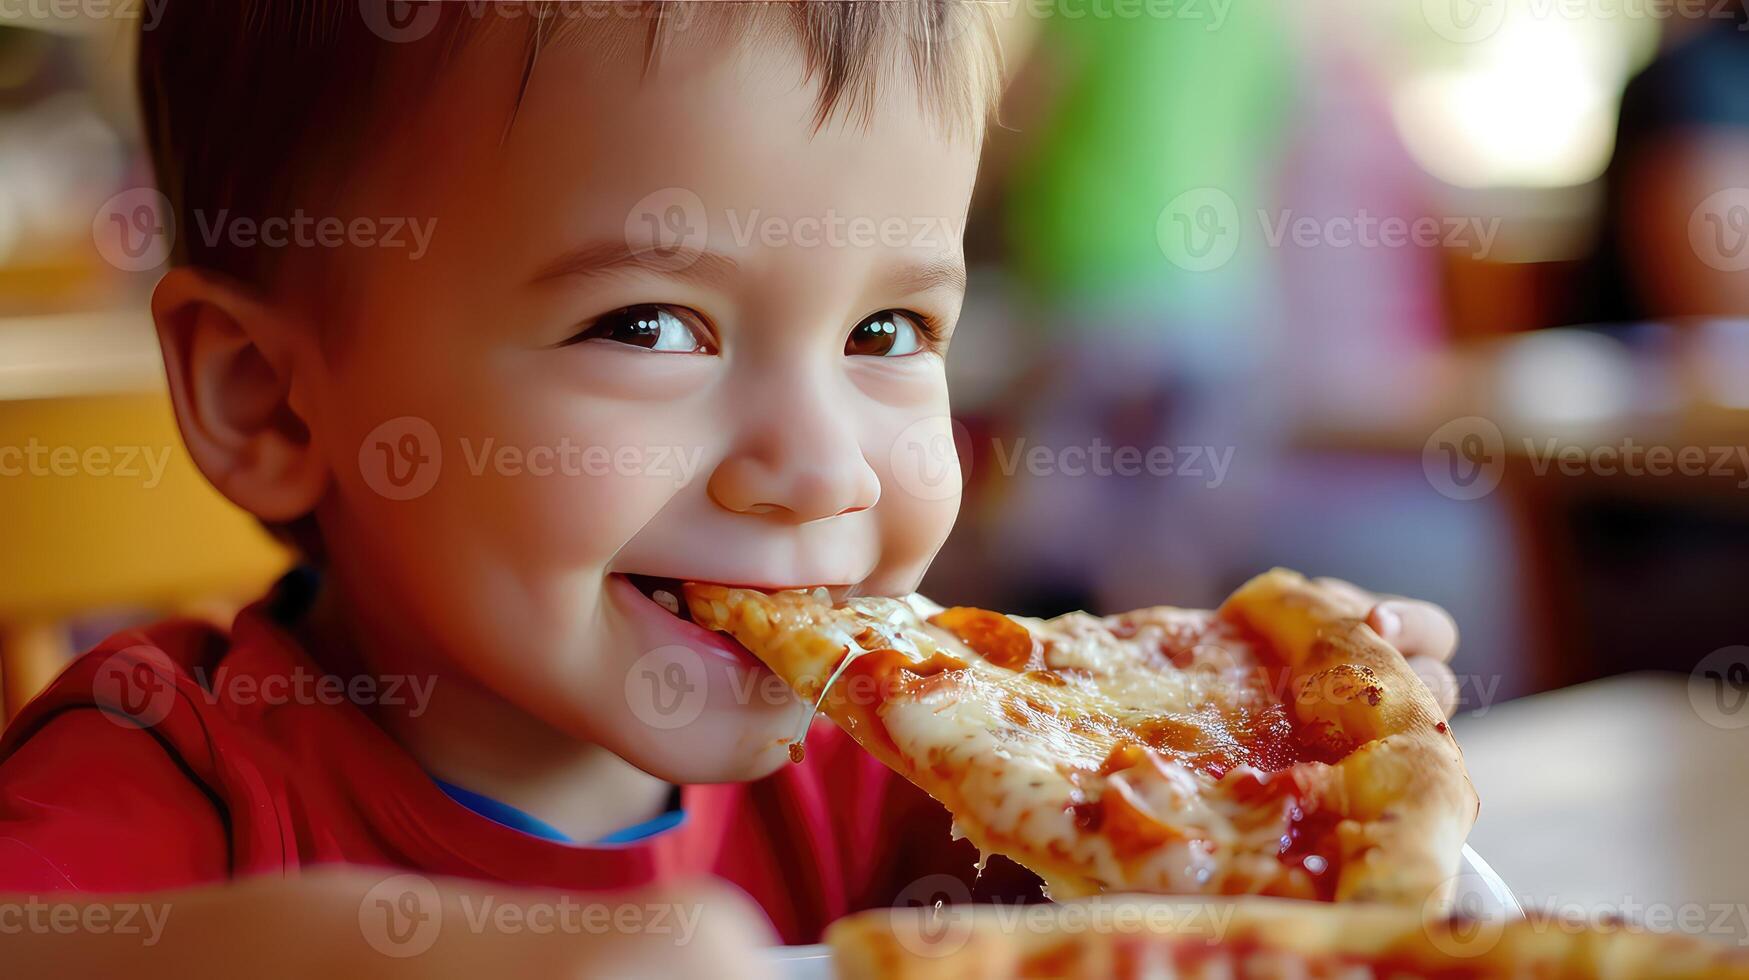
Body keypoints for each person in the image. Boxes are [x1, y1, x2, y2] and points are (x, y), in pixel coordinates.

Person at [0, 3, 1462, 975]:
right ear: (266, 398)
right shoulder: (175, 768)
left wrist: (1250, 767)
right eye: (647, 327)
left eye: (887, 334)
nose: (819, 466)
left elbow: (1186, 918)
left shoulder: (896, 787)